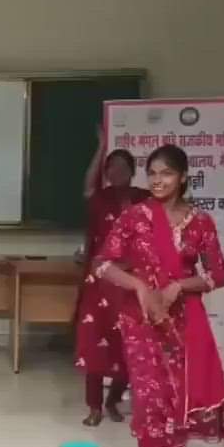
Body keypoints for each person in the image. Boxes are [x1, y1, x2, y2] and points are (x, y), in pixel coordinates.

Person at [93, 144, 224, 447]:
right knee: (149, 394)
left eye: (166, 173)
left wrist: (179, 286)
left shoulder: (200, 222)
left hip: (182, 319)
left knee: (176, 395)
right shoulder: (135, 217)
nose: (157, 181)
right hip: (138, 319)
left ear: (183, 177)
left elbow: (218, 275)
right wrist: (139, 285)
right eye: (152, 174)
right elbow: (103, 264)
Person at [75, 131, 149, 427]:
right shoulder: (99, 198)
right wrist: (101, 147)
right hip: (99, 281)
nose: (116, 171)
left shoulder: (144, 200)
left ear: (132, 172)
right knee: (93, 343)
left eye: (122, 166)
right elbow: (86, 183)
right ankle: (94, 407)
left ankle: (114, 400)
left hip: (130, 281)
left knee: (128, 345)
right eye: (111, 167)